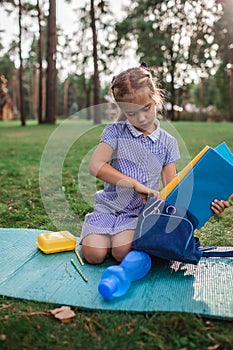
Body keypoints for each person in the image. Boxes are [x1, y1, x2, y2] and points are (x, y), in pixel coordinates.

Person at [81, 64, 230, 264]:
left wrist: (208, 205)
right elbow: (96, 165)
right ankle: (103, 234)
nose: (141, 118)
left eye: (146, 108)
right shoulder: (115, 132)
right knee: (93, 255)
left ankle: (118, 240)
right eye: (132, 113)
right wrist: (134, 184)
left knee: (120, 252)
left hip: (139, 214)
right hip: (107, 208)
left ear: (155, 99)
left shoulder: (167, 142)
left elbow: (173, 191)